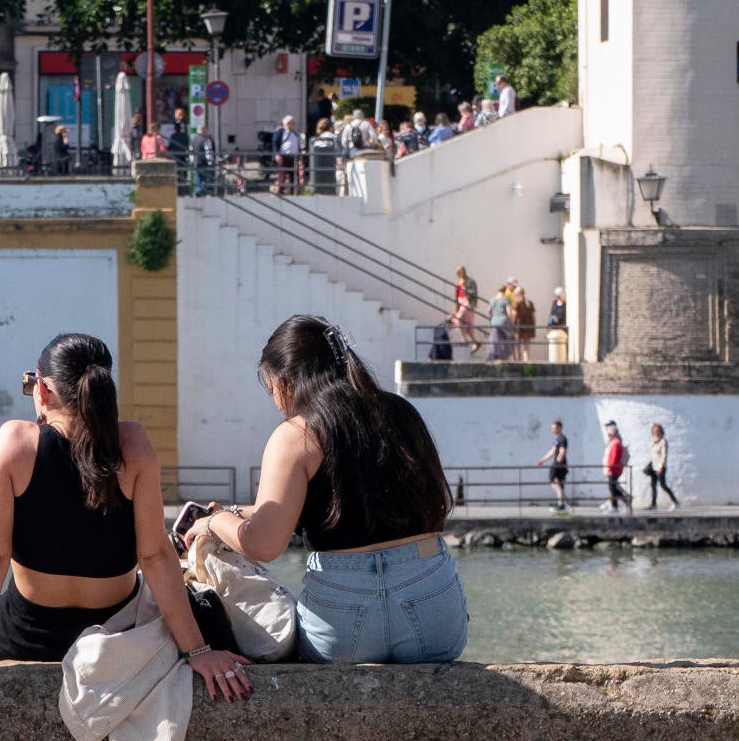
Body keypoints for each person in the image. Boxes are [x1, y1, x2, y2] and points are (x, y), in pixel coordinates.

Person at [0, 332, 251, 703]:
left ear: (44, 391)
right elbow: (156, 555)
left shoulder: (16, 442)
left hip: (25, 637)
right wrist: (196, 651)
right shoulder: (133, 445)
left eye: (29, 383)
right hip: (116, 635)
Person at [193, 315, 466, 663]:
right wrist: (232, 511)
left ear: (287, 379)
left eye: (271, 386)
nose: (276, 400)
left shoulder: (298, 434)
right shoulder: (400, 412)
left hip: (344, 620)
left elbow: (263, 542)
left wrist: (214, 523)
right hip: (433, 610)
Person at [644, 423, 680, 510]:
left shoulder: (663, 441)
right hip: (653, 467)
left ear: (661, 431)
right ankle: (653, 504)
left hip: (660, 468)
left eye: (657, 431)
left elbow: (664, 455)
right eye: (654, 431)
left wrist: (661, 466)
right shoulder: (655, 442)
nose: (656, 433)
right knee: (653, 486)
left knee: (663, 485)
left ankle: (675, 502)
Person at [537, 421, 571, 512]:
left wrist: (560, 459)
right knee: (559, 483)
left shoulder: (562, 439)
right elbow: (552, 452)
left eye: (555, 428)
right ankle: (563, 503)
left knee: (553, 481)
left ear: (560, 428)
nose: (553, 430)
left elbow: (563, 450)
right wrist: (543, 460)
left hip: (558, 465)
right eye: (552, 428)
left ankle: (562, 504)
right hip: (558, 464)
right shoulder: (557, 439)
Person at [602, 420, 633, 512]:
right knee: (614, 487)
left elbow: (614, 457)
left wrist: (609, 468)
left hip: (614, 470)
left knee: (613, 487)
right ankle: (625, 500)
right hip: (614, 469)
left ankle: (616, 506)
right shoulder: (616, 442)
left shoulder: (616, 443)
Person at [452, 266, 481, 354]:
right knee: (461, 322)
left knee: (463, 321)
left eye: (460, 272)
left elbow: (474, 292)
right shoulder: (458, 282)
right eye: (458, 272)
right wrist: (456, 306)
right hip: (460, 303)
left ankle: (465, 340)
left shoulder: (470, 281)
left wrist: (466, 291)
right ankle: (475, 342)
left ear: (464, 271)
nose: (459, 274)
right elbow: (456, 295)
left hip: (467, 302)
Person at [272, 114, 303, 195]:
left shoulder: (294, 133)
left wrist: (299, 154)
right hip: (283, 156)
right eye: (291, 123)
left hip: (293, 157)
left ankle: (293, 192)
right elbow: (275, 143)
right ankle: (280, 192)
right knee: (282, 175)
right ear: (286, 124)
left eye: (293, 123)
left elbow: (297, 144)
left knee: (293, 176)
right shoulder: (280, 132)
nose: (293, 125)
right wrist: (277, 154)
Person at [486, 282, 513, 361]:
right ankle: (504, 357)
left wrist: (492, 317)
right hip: (503, 322)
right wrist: (511, 322)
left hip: (494, 321)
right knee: (505, 339)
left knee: (495, 340)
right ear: (504, 291)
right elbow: (509, 313)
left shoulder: (492, 300)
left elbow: (488, 311)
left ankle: (495, 356)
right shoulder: (506, 300)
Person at [511, 284, 536, 362]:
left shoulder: (516, 304)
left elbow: (513, 316)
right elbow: (533, 316)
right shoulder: (530, 303)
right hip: (528, 327)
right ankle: (526, 361)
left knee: (517, 346)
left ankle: (518, 361)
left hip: (518, 327)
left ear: (518, 294)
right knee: (526, 347)